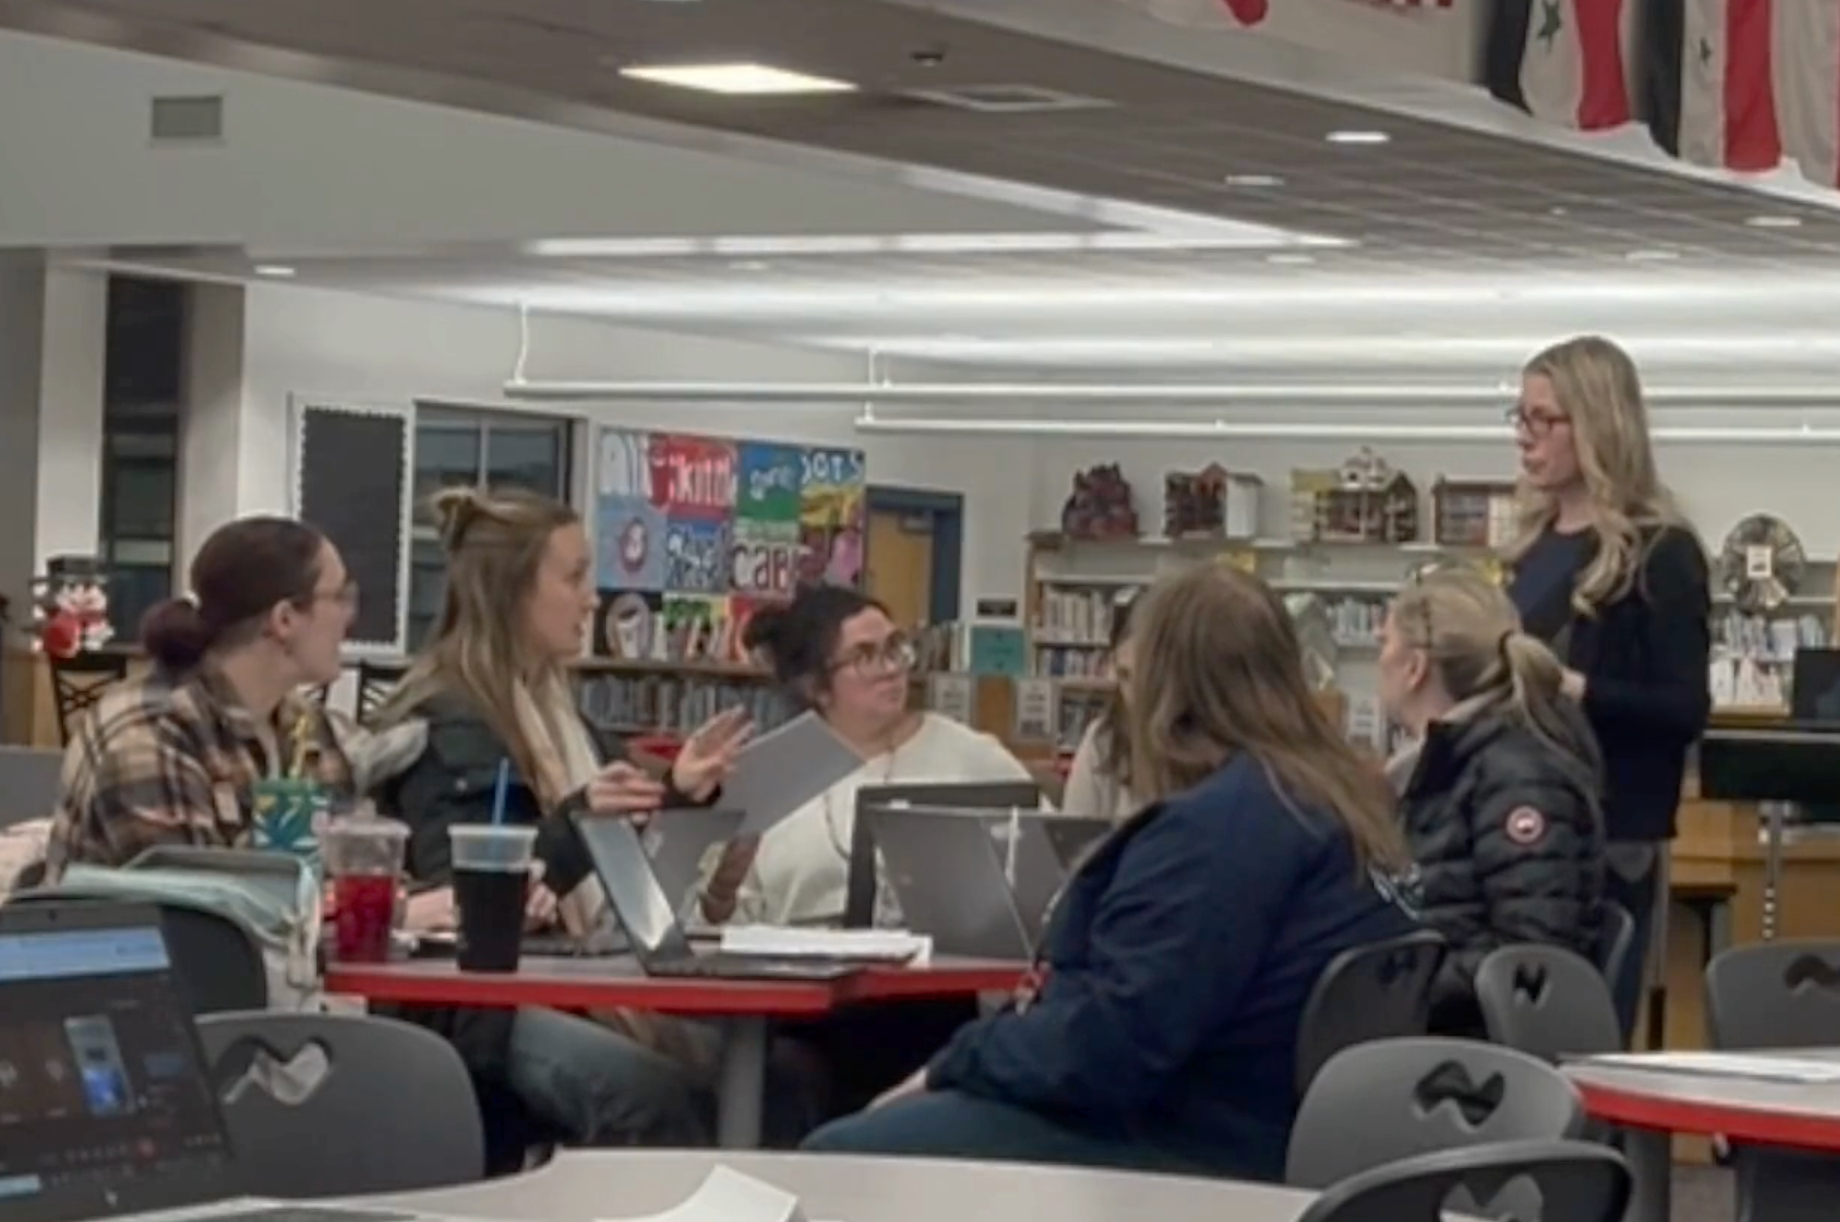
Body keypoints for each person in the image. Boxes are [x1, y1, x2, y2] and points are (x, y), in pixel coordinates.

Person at [800, 564, 1420, 1181]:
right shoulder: (1338, 801)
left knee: (839, 1159)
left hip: (1189, 1139)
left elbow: (1109, 1051)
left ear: (1166, 687)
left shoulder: (1219, 829)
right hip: (1290, 1130)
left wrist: (957, 1062)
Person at [372, 486, 767, 1158]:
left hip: (561, 980)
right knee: (652, 1097)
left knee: (769, 1071)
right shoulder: (451, 722)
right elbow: (468, 900)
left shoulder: (555, 709)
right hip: (475, 1013)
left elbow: (611, 804)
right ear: (512, 591)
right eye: (576, 576)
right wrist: (576, 823)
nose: (594, 598)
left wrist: (680, 787)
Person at [1504, 335, 1711, 1034]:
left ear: (1596, 424)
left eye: (1543, 420)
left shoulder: (1661, 553)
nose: (1525, 438)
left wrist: (1572, 688)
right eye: (1520, 418)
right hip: (1521, 829)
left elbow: (1684, 710)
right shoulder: (1532, 547)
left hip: (1608, 838)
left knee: (1587, 1037)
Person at [697, 583, 1035, 928]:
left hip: (934, 968)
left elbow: (1049, 866)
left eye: (894, 648)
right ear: (816, 687)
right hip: (797, 966)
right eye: (864, 657)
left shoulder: (968, 755)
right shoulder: (768, 775)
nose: (890, 668)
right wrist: (722, 894)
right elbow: (715, 925)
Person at [44, 517, 357, 876]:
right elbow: (194, 913)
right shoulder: (152, 733)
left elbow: (350, 865)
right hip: (134, 932)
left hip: (289, 931)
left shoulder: (303, 725)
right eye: (339, 597)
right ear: (284, 619)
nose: (349, 617)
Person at [1378, 567, 1606, 1036]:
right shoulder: (1446, 764)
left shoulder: (1516, 776)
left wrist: (1396, 989)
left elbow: (1531, 954)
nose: (1378, 660)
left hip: (1474, 1057)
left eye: (1385, 643)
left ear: (1415, 666)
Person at [1060, 591, 1140, 821]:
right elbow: (1074, 838)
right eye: (1125, 675)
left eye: (1149, 678)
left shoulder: (1210, 749)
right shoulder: (1103, 739)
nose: (1135, 696)